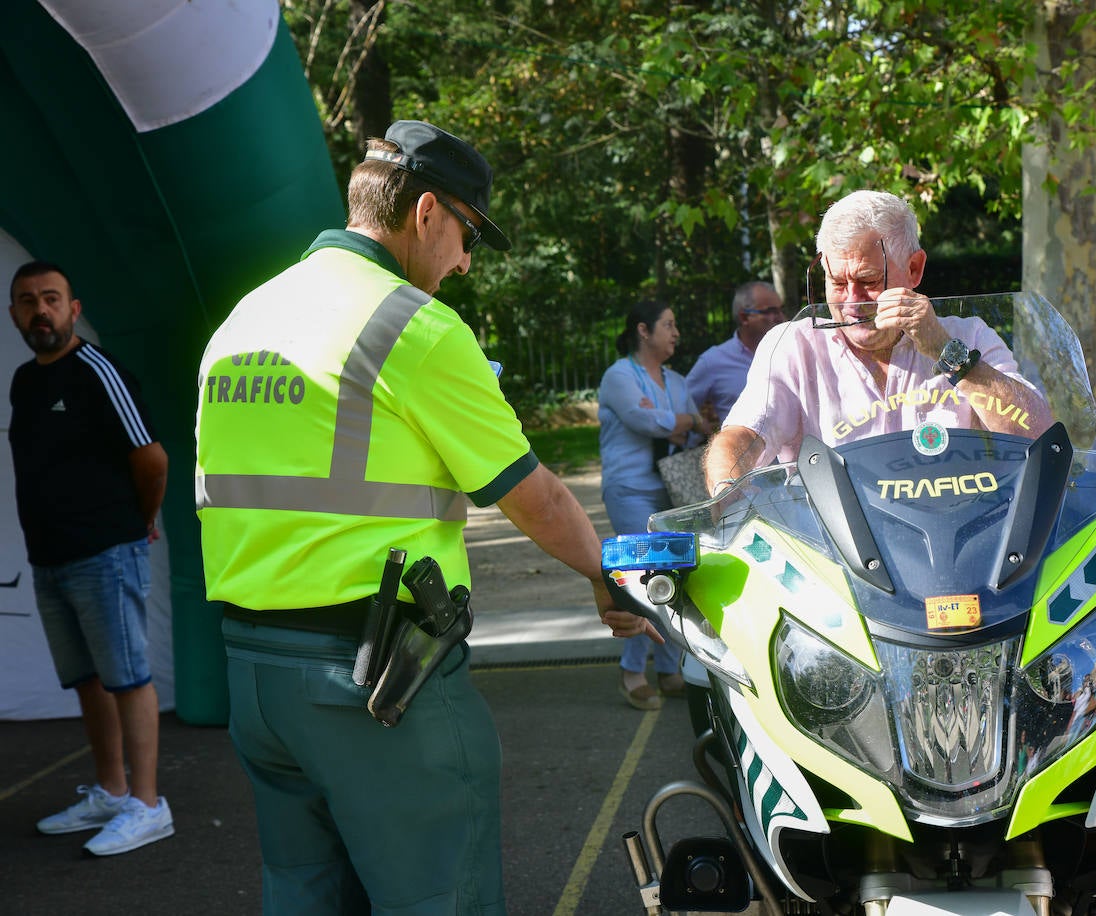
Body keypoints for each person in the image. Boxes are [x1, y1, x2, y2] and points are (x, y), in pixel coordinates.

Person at [194, 121, 657, 915]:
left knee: (303, 894)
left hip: (256, 675)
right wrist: (604, 574)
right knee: (441, 897)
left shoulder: (244, 320)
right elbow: (535, 496)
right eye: (468, 233)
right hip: (375, 685)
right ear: (427, 212)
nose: (466, 261)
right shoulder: (414, 326)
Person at [704, 190, 1053, 492]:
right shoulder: (794, 346)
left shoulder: (969, 336)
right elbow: (744, 436)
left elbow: (1037, 435)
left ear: (914, 270)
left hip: (959, 539)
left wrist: (947, 353)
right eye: (837, 284)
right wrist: (724, 497)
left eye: (869, 281)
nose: (852, 302)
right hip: (832, 549)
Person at [7, 261, 173, 856]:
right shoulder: (25, 382)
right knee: (88, 682)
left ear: (73, 310)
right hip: (50, 559)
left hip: (106, 553)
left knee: (128, 679)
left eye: (51, 299)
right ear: (14, 315)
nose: (39, 311)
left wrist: (141, 522)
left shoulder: (98, 371)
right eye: (27, 302)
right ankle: (110, 789)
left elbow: (152, 460)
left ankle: (149, 806)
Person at [598, 300, 708, 710]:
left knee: (672, 574)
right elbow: (648, 423)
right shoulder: (618, 376)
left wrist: (677, 419)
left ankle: (668, 668)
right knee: (637, 576)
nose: (676, 332)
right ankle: (632, 673)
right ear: (643, 331)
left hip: (668, 491)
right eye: (668, 324)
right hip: (629, 489)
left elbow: (693, 425)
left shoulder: (677, 381)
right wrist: (678, 420)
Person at [685, 280, 786, 432]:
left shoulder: (789, 353)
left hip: (795, 452)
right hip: (742, 453)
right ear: (744, 318)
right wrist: (702, 431)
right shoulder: (713, 361)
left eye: (780, 309)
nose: (780, 317)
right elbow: (683, 406)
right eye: (770, 311)